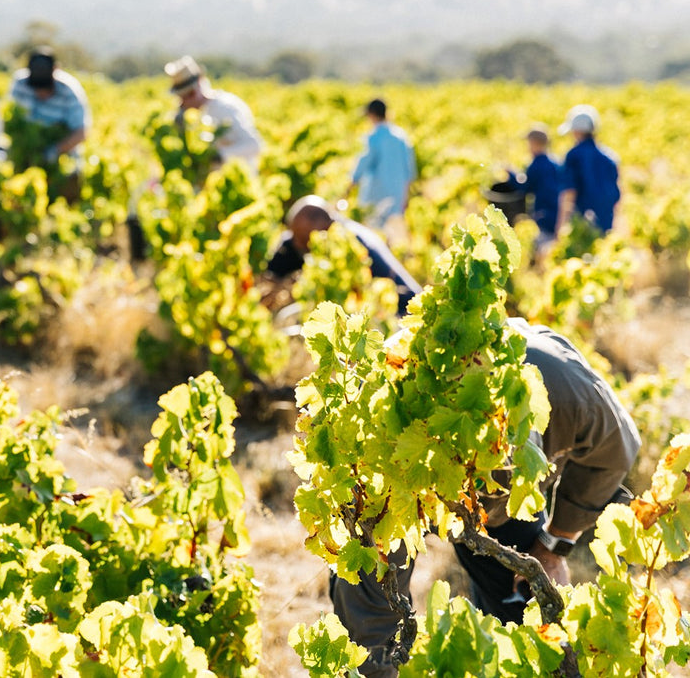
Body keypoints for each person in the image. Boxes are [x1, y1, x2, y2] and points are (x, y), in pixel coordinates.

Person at [331, 321, 641, 678]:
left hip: (507, 505)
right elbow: (371, 609)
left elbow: (617, 450)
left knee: (534, 613)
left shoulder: (565, 389)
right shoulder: (390, 422)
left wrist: (556, 543)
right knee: (371, 625)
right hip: (402, 486)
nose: (475, 502)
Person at [264, 195, 421, 317]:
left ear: (321, 231)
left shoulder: (350, 245)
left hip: (404, 314)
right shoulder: (340, 228)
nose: (299, 246)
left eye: (304, 240)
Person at [163, 55, 264, 172]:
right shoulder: (195, 115)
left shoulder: (226, 108)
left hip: (240, 180)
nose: (181, 103)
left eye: (184, 97)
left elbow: (254, 145)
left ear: (195, 92)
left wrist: (220, 155)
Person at [7, 47, 90, 164]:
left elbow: (81, 133)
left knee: (71, 173)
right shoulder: (20, 84)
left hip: (63, 154)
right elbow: (11, 119)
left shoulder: (69, 91)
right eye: (36, 88)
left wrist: (53, 152)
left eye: (45, 88)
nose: (41, 94)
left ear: (55, 71)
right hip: (26, 151)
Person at [349, 98, 416, 243]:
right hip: (397, 194)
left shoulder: (373, 137)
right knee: (392, 237)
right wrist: (406, 195)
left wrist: (350, 185)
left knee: (374, 236)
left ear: (372, 115)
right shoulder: (401, 136)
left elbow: (362, 164)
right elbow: (409, 170)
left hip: (376, 195)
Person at [556, 103, 621, 236]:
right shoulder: (610, 158)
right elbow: (616, 196)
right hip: (605, 224)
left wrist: (560, 227)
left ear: (577, 131)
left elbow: (569, 193)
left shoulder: (573, 155)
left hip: (582, 226)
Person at [521, 123, 562, 249]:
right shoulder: (556, 163)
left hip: (544, 214)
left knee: (544, 247)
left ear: (534, 143)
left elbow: (525, 188)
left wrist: (511, 176)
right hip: (558, 213)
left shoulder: (536, 165)